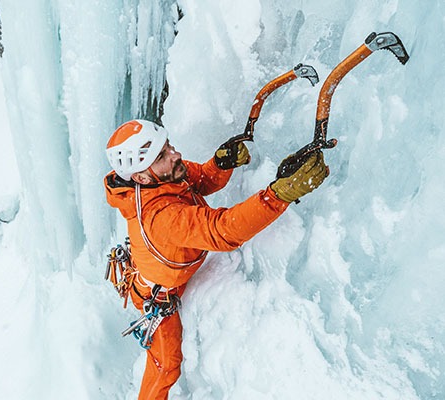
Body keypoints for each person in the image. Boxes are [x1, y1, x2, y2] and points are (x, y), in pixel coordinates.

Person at [103, 119, 328, 400]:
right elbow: (222, 230)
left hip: (157, 267)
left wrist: (220, 165)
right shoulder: (161, 219)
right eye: (161, 156)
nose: (174, 155)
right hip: (157, 295)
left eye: (168, 146)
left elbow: (197, 180)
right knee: (166, 367)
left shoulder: (163, 176)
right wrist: (277, 196)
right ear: (141, 177)